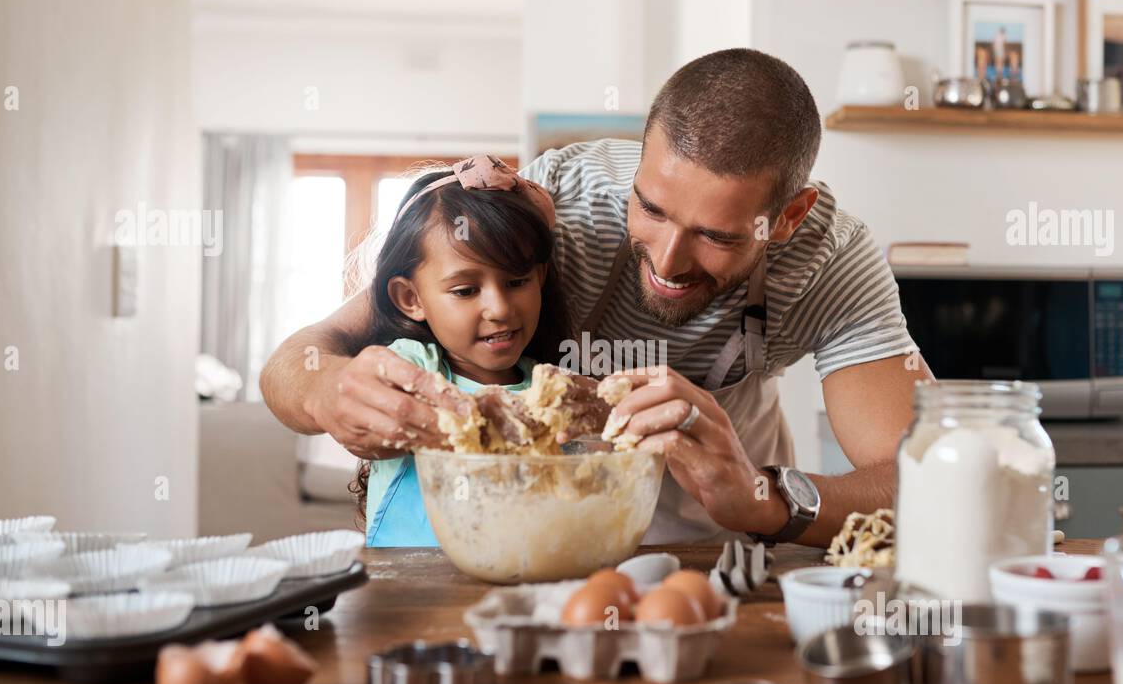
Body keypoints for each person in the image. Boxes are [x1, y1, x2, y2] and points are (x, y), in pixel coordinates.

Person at [261, 48, 933, 548]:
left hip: (729, 530)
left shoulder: (832, 261)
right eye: (652, 208)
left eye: (715, 236)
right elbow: (298, 361)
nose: (668, 261)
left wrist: (766, 495)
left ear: (788, 217)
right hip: (569, 533)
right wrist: (328, 392)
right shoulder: (561, 205)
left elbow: (924, 477)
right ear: (638, 163)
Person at [349, 156, 572, 546]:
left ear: (540, 278)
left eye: (517, 281)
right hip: (405, 591)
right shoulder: (411, 370)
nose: (500, 309)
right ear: (410, 298)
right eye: (466, 290)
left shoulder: (551, 387)